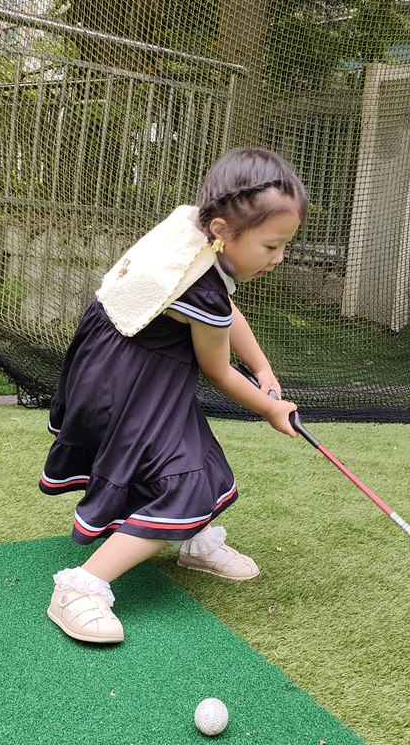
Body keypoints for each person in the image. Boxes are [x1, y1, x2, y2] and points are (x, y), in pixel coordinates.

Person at [39, 147, 307, 645]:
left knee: (194, 456)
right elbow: (218, 370)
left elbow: (224, 310)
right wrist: (271, 408)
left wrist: (263, 367)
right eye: (272, 246)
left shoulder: (194, 230)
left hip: (125, 369)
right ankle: (80, 586)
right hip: (126, 385)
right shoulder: (200, 283)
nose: (279, 258)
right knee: (182, 477)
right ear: (223, 230)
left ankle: (192, 538)